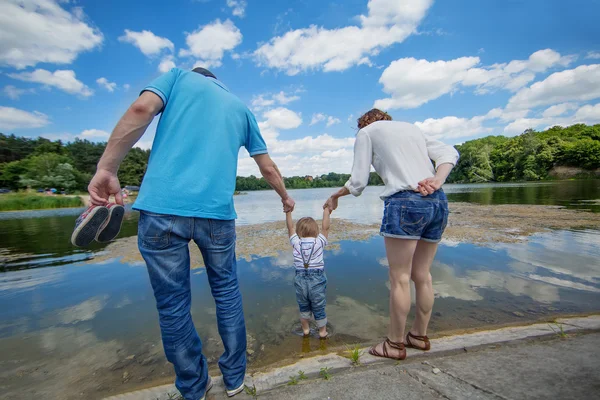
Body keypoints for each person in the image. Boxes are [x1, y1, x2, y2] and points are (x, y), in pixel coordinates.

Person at [87, 67, 295, 400]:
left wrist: (107, 168)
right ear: (217, 80)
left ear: (198, 76)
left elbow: (141, 109)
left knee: (173, 305)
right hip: (217, 215)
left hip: (162, 208)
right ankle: (234, 380)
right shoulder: (241, 109)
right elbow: (266, 167)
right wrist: (285, 197)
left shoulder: (177, 78)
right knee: (227, 293)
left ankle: (194, 387)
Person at [323, 109, 459, 361]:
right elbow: (449, 152)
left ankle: (394, 344)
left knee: (399, 278)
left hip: (405, 201)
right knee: (423, 275)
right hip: (437, 201)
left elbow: (358, 181)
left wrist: (334, 196)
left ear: (363, 124)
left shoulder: (366, 133)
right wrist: (438, 179)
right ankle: (419, 336)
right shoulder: (413, 130)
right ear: (387, 119)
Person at [285, 207, 331, 339]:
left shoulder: (296, 242)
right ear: (316, 231)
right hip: (317, 280)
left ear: (299, 232)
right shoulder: (319, 242)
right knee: (319, 307)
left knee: (304, 307)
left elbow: (290, 228)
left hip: (300, 280)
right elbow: (326, 228)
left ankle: (305, 330)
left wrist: (288, 212)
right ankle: (322, 332)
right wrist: (326, 211)